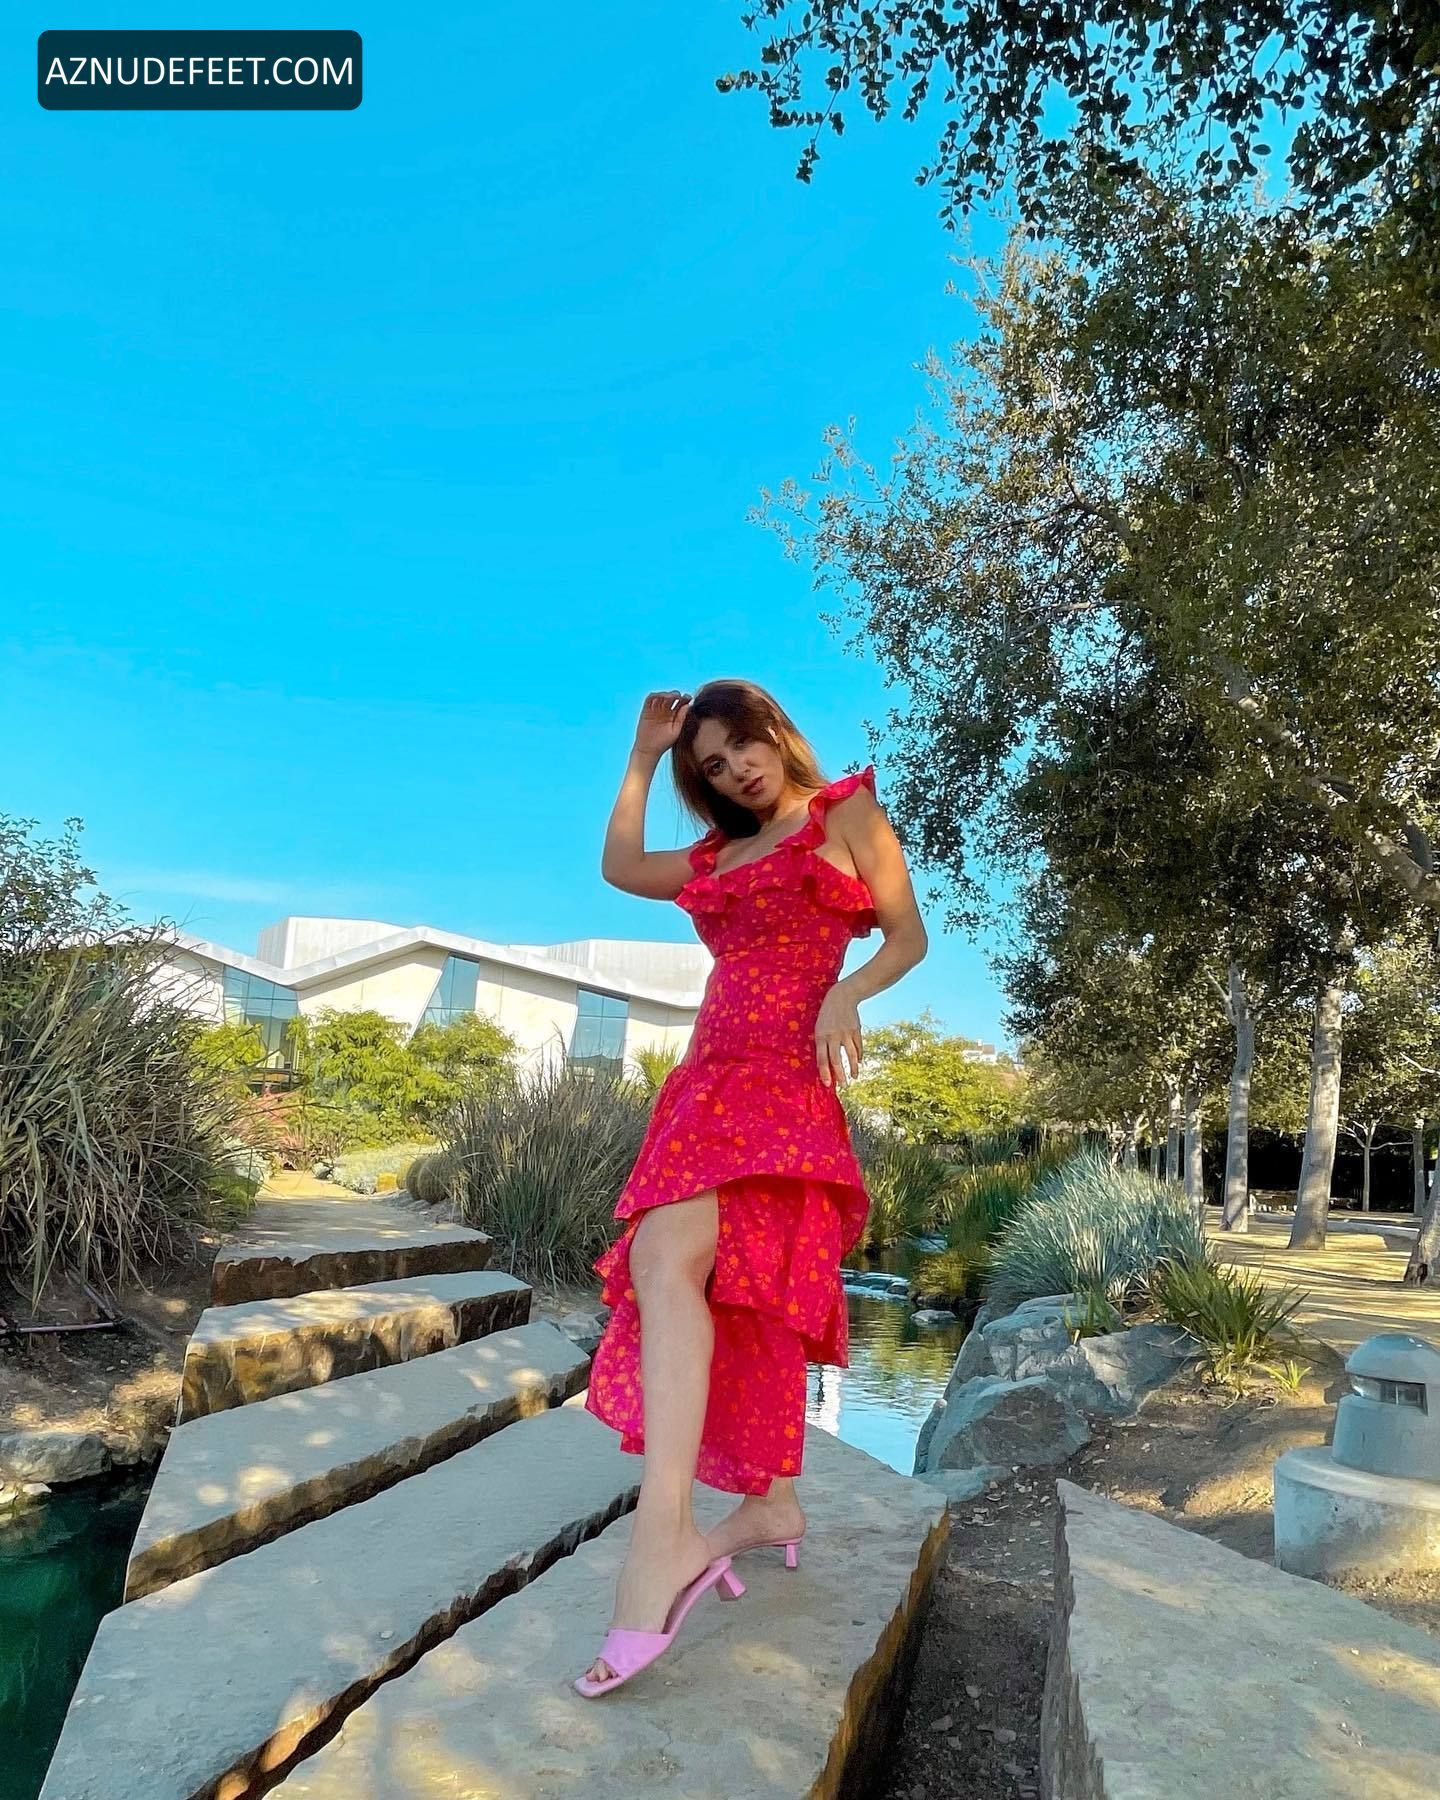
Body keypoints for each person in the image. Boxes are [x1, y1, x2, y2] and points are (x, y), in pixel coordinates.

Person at [576, 679, 928, 1696]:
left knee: (692, 1270)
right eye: (715, 767)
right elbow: (618, 867)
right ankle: (761, 1508)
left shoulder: (844, 812)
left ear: (775, 731)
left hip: (785, 1078)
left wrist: (847, 993)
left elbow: (907, 936)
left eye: (742, 747)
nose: (736, 771)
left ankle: (664, 1543)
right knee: (694, 1278)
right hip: (706, 1080)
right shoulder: (715, 856)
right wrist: (643, 758)